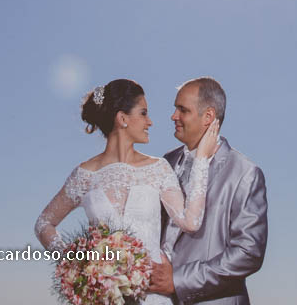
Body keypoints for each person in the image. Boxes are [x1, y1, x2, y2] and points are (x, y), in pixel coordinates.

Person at [34, 78, 219, 305]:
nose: (150, 122)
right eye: (143, 113)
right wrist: (77, 264)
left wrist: (201, 159)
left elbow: (191, 222)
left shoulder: (158, 169)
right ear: (122, 119)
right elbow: (44, 223)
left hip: (152, 296)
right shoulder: (84, 175)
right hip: (105, 299)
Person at [150, 77, 268, 305]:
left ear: (208, 116)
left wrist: (178, 280)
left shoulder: (244, 173)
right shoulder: (166, 162)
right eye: (175, 109)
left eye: (182, 110)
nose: (173, 116)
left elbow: (248, 253)